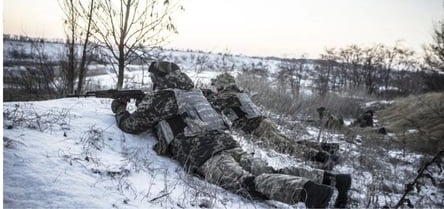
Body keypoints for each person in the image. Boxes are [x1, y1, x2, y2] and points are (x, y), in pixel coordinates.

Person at [111, 61, 351, 208]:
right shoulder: (195, 92)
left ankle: (308, 193)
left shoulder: (163, 96)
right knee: (268, 171)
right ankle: (332, 180)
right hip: (228, 143)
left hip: (205, 152)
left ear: (157, 79)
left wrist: (120, 109)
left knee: (246, 184)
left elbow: (132, 125)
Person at [205, 73, 341, 170]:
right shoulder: (240, 93)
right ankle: (325, 147)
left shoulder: (229, 95)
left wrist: (204, 93)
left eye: (216, 84)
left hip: (257, 127)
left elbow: (214, 103)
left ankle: (321, 156)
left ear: (222, 85)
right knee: (288, 142)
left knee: (285, 146)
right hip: (264, 122)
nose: (215, 87)